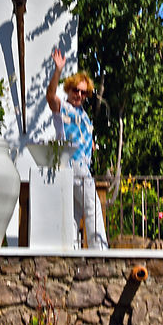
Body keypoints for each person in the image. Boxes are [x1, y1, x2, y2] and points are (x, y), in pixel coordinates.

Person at [46, 48, 108, 250]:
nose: (79, 95)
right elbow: (50, 95)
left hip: (79, 167)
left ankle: (70, 252)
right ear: (69, 89)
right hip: (74, 164)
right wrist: (58, 70)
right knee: (93, 206)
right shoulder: (62, 107)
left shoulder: (83, 114)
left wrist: (92, 144)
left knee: (74, 212)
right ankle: (100, 250)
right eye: (76, 90)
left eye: (83, 92)